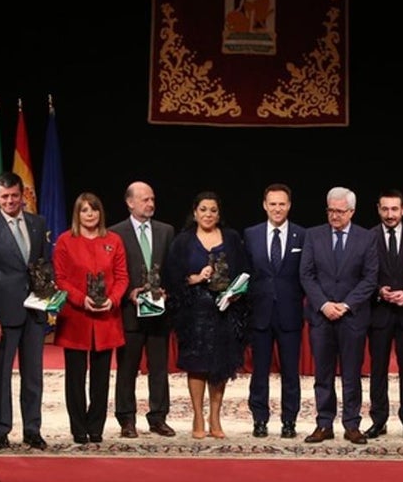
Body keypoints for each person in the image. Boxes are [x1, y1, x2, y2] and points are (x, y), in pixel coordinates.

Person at [0, 171, 52, 450]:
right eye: (4, 196)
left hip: (34, 312)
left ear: (22, 196)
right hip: (3, 315)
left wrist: (48, 298)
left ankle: (33, 429)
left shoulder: (37, 223)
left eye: (14, 196)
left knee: (34, 375)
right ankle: (1, 431)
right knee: (1, 375)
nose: (10, 201)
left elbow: (44, 266)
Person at [162, 191, 250, 439]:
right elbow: (171, 277)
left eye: (213, 210)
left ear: (219, 214)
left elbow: (244, 271)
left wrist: (235, 292)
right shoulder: (183, 241)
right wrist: (196, 278)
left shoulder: (232, 238)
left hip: (225, 311)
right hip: (194, 313)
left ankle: (215, 417)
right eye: (203, 209)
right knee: (197, 365)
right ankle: (198, 416)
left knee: (220, 365)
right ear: (194, 212)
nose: (208, 214)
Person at [300, 186, 379, 444]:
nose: (334, 216)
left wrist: (345, 305)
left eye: (340, 211)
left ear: (352, 212)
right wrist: (324, 304)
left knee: (351, 374)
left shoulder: (366, 238)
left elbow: (369, 279)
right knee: (322, 374)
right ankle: (324, 423)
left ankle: (352, 424)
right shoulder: (313, 235)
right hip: (321, 317)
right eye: (330, 210)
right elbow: (307, 275)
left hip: (352, 317)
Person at [52, 192, 129, 445]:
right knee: (75, 377)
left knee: (101, 377)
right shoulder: (65, 241)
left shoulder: (114, 240)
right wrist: (80, 298)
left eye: (94, 210)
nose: (90, 215)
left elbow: (122, 277)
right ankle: (78, 428)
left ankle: (96, 427)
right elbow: (60, 278)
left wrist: (113, 299)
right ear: (78, 214)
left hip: (106, 318)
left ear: (100, 213)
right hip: (76, 317)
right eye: (85, 210)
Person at [110, 181, 177, 438]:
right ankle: (127, 419)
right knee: (128, 368)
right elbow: (113, 272)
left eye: (152, 199)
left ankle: (158, 417)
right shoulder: (116, 233)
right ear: (130, 202)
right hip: (130, 311)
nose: (150, 204)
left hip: (159, 311)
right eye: (144, 200)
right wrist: (128, 293)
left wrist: (168, 290)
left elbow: (171, 267)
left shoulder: (166, 231)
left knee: (159, 367)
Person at [243, 183, 306, 439]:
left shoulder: (302, 235)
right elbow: (245, 273)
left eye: (282, 204)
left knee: (291, 372)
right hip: (260, 313)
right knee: (259, 371)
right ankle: (259, 419)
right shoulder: (251, 234)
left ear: (289, 205)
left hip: (290, 314)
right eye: (273, 204)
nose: (277, 209)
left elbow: (306, 274)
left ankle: (289, 421)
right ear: (264, 205)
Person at [366, 189, 403, 440]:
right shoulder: (368, 237)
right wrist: (380, 291)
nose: (390, 214)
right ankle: (378, 420)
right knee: (377, 369)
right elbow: (364, 274)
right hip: (378, 313)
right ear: (378, 209)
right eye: (385, 209)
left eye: (394, 209)